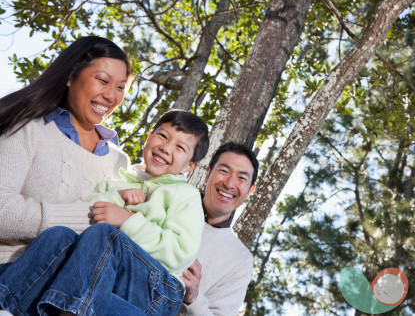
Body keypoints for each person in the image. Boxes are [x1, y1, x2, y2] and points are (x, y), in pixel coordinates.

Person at [0, 110, 210, 315]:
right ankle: (6, 303)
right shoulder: (118, 181)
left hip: (158, 289)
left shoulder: (185, 195)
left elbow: (179, 252)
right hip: (107, 273)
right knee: (59, 235)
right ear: (149, 137)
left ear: (191, 165)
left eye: (180, 147)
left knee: (105, 236)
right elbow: (89, 213)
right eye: (162, 136)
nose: (166, 148)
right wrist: (119, 197)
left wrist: (128, 220)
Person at [0, 36, 132, 264]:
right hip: (12, 271)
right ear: (71, 76)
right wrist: (89, 216)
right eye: (102, 80)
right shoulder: (28, 130)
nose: (112, 96)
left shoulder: (118, 161)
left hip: (78, 285)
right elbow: (3, 212)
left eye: (120, 87)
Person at [179, 142, 258, 315]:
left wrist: (193, 298)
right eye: (224, 171)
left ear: (250, 190)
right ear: (208, 174)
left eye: (241, 178)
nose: (229, 183)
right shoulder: (174, 200)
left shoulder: (240, 260)